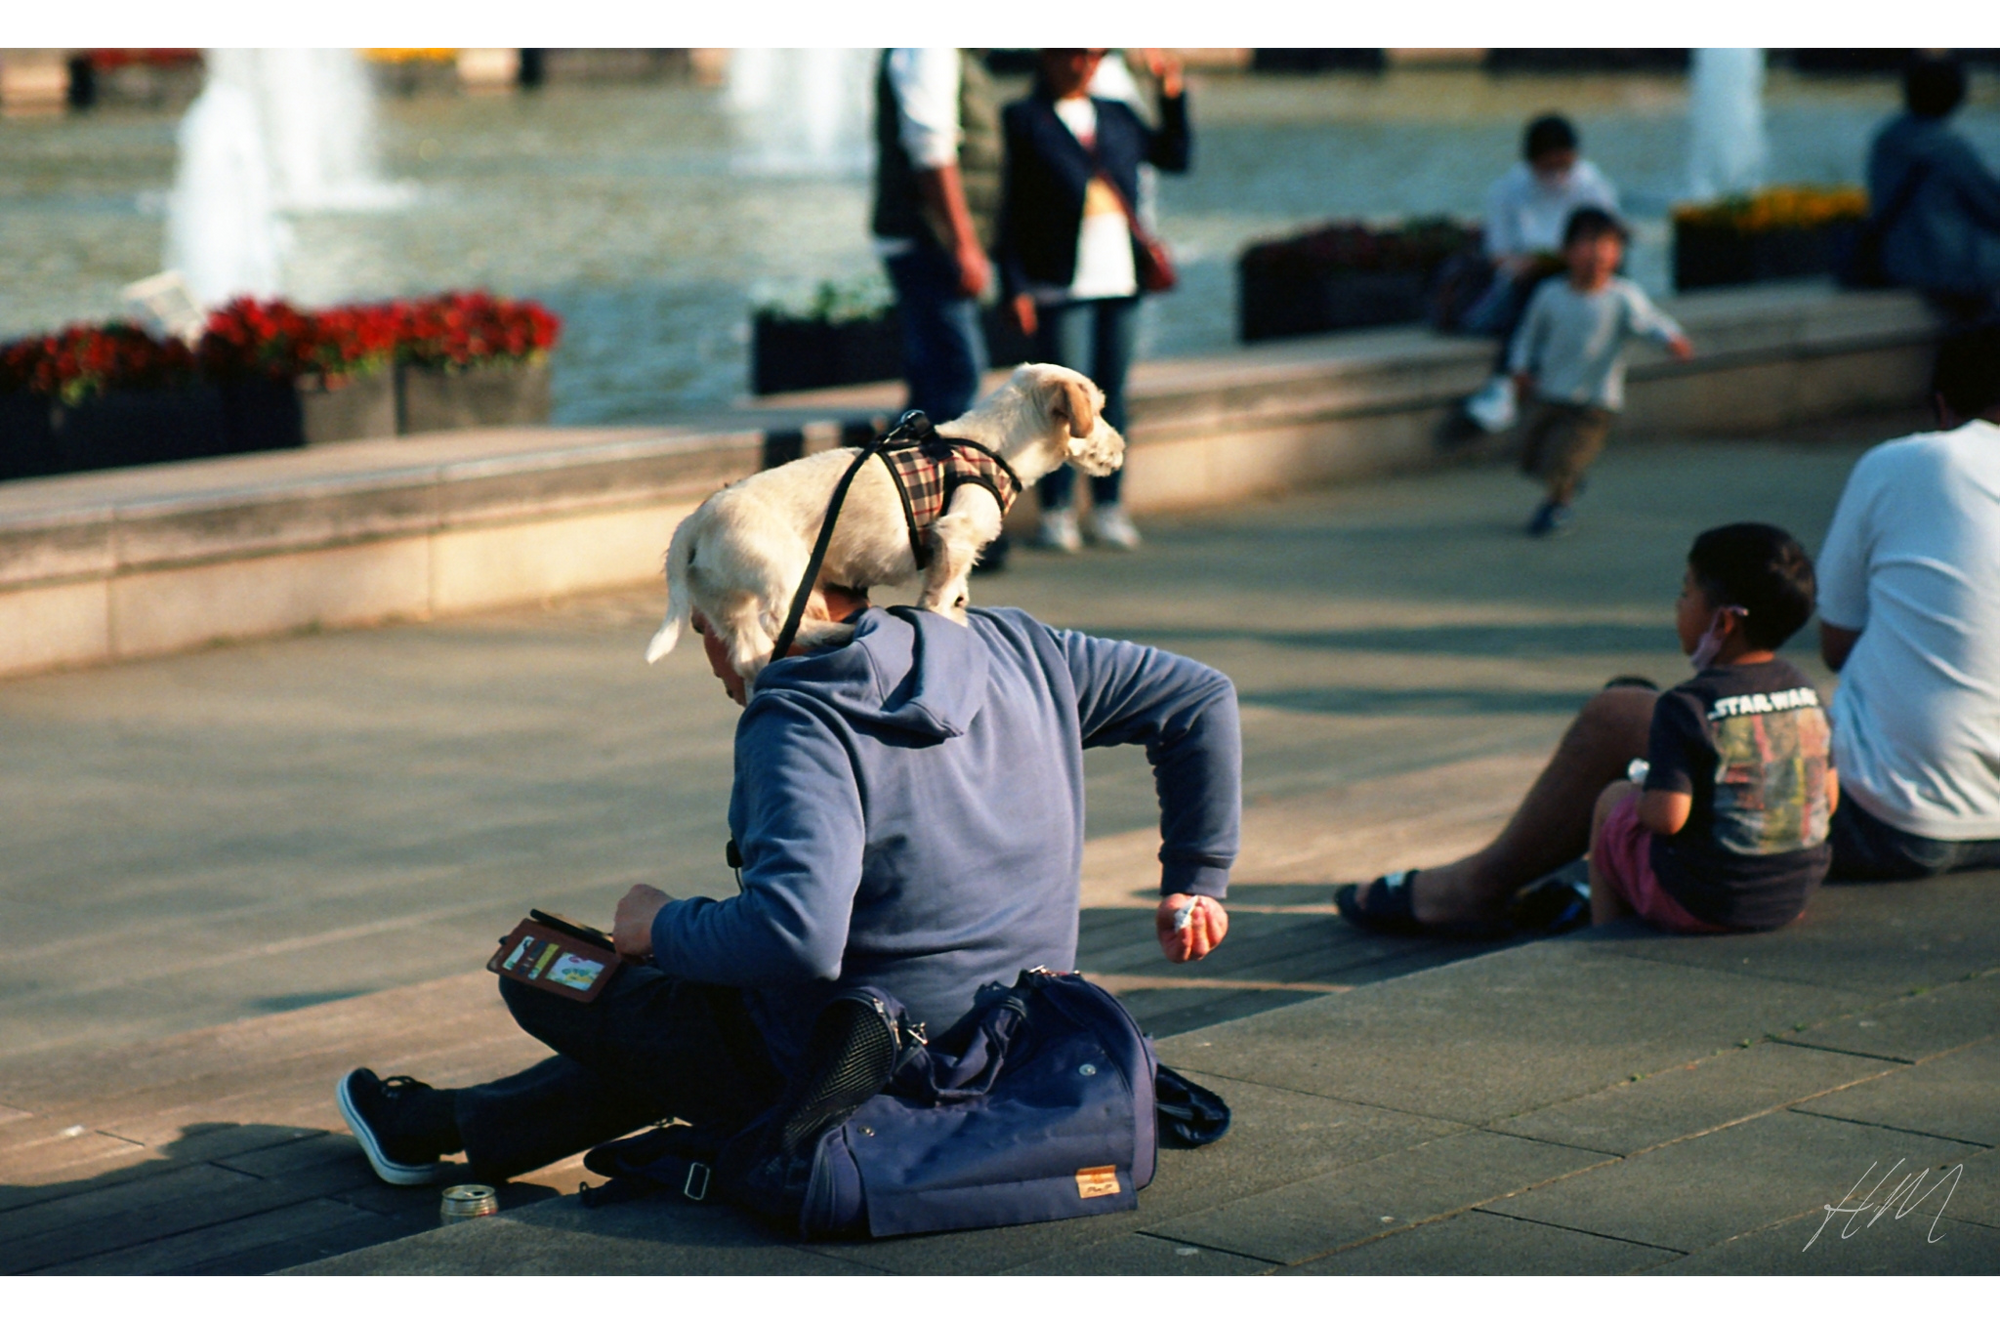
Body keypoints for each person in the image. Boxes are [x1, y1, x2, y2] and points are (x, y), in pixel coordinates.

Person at [335, 584, 1240, 1186]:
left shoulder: (799, 711)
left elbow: (796, 938)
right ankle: (443, 1126)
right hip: (1013, 1042)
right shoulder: (1018, 648)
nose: (713, 662)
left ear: (752, 610)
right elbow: (1200, 696)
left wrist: (664, 925)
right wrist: (1197, 877)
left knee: (544, 971)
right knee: (675, 1019)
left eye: (705, 633)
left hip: (848, 1071)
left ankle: (441, 1125)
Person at [1337, 524, 1833, 936]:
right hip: (1790, 898)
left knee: (1611, 802)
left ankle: (1606, 931)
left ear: (1722, 623)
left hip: (1709, 904)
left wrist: (1645, 786)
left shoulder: (1689, 706)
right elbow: (1826, 797)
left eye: (1685, 593)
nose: (1678, 606)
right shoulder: (1804, 690)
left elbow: (1666, 818)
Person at [1815, 324, 2000, 879]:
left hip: (1897, 820)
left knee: (1625, 717)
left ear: (1943, 409)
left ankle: (1543, 892)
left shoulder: (1904, 463)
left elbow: (1836, 641)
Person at [999, 44, 1191, 554]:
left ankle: (1109, 505)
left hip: (1119, 276)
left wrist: (1171, 97)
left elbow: (1174, 157)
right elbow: (1008, 210)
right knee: (1062, 401)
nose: (1082, 64)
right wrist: (1014, 284)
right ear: (1048, 57)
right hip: (1059, 282)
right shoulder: (1022, 119)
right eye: (1072, 53)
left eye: (1093, 55)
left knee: (1115, 396)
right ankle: (1057, 511)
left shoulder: (1116, 114)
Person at [1508, 207, 1693, 537]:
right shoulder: (1550, 294)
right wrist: (1520, 370)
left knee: (1563, 460)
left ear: (1619, 253)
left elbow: (1649, 322)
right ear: (1566, 250)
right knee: (1531, 457)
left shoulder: (1623, 296)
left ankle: (1556, 507)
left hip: (1595, 402)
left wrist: (1671, 339)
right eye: (1587, 243)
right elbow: (1526, 336)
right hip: (1550, 392)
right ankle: (1569, 481)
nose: (1597, 254)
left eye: (1608, 245)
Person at [1463, 114, 1621, 434]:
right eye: (1549, 168)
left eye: (1565, 166)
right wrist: (1525, 263)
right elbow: (1498, 254)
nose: (1558, 176)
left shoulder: (1592, 185)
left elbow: (1612, 239)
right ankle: (1506, 381)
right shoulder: (1507, 190)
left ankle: (1513, 382)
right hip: (1529, 281)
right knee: (1535, 296)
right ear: (1531, 161)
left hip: (1584, 277)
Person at [1867, 53, 2000, 323]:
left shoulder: (1886, 139)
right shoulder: (1948, 148)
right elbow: (1991, 206)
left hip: (1893, 261)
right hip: (1943, 266)